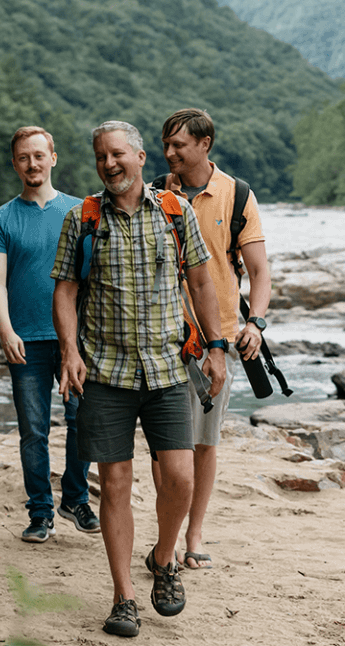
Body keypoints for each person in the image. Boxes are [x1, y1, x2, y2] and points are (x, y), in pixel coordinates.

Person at [52, 121, 226, 637]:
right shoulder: (81, 219)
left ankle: (164, 557)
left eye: (118, 154)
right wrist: (68, 351)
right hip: (105, 372)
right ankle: (124, 596)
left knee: (180, 477)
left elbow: (200, 280)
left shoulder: (175, 213)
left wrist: (215, 347)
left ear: (142, 157)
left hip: (170, 368)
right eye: (101, 155)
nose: (109, 163)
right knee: (115, 485)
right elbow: (65, 291)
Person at [154, 108, 270, 569]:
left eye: (178, 145)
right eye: (165, 145)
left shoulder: (237, 195)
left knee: (204, 443)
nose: (170, 153)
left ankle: (194, 532)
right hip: (161, 338)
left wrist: (255, 323)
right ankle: (167, 533)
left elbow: (259, 271)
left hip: (215, 341)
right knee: (165, 448)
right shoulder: (156, 193)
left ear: (205, 144)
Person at [0, 126, 99, 542]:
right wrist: (6, 329)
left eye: (39, 155)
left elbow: (93, 276)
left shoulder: (83, 211)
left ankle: (75, 497)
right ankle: (40, 511)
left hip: (76, 340)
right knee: (34, 429)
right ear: (14, 164)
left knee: (81, 422)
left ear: (53, 158)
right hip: (26, 340)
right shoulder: (0, 220)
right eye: (23, 157)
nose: (32, 163)